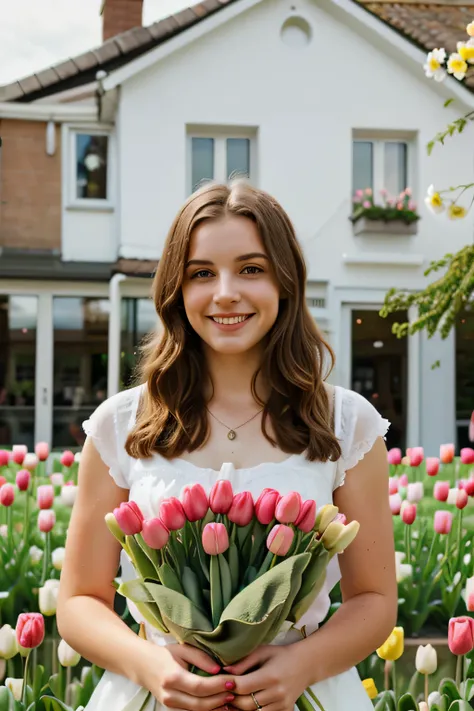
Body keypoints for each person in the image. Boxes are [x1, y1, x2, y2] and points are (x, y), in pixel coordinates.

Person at [56, 182, 397, 711]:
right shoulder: (121, 424)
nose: (225, 293)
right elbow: (79, 601)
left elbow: (374, 600)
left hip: (303, 692)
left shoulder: (346, 424)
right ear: (177, 290)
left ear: (286, 281)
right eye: (201, 274)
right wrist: (149, 665)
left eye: (251, 269)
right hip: (156, 693)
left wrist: (303, 665)